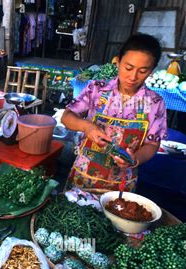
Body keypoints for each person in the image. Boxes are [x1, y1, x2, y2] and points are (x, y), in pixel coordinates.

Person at [61, 34, 167, 192]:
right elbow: (66, 117)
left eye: (143, 71)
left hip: (122, 185)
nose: (133, 77)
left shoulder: (155, 103)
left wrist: (135, 158)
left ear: (151, 71)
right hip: (84, 176)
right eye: (128, 68)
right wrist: (87, 127)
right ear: (117, 62)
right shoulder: (96, 89)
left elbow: (152, 144)